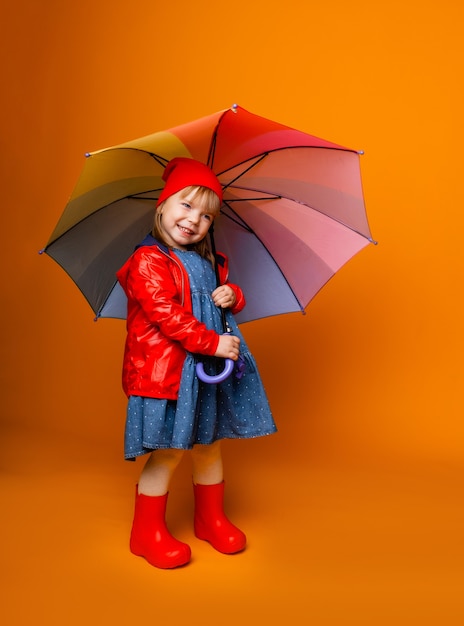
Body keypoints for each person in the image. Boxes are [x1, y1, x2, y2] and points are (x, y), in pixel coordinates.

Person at [116, 157, 277, 569]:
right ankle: (146, 532)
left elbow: (215, 304)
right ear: (162, 205)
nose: (194, 220)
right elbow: (165, 314)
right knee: (169, 451)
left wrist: (232, 295)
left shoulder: (207, 262)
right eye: (185, 205)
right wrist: (211, 343)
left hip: (203, 375)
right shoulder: (149, 261)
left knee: (209, 446)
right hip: (170, 373)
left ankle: (210, 518)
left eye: (207, 215)